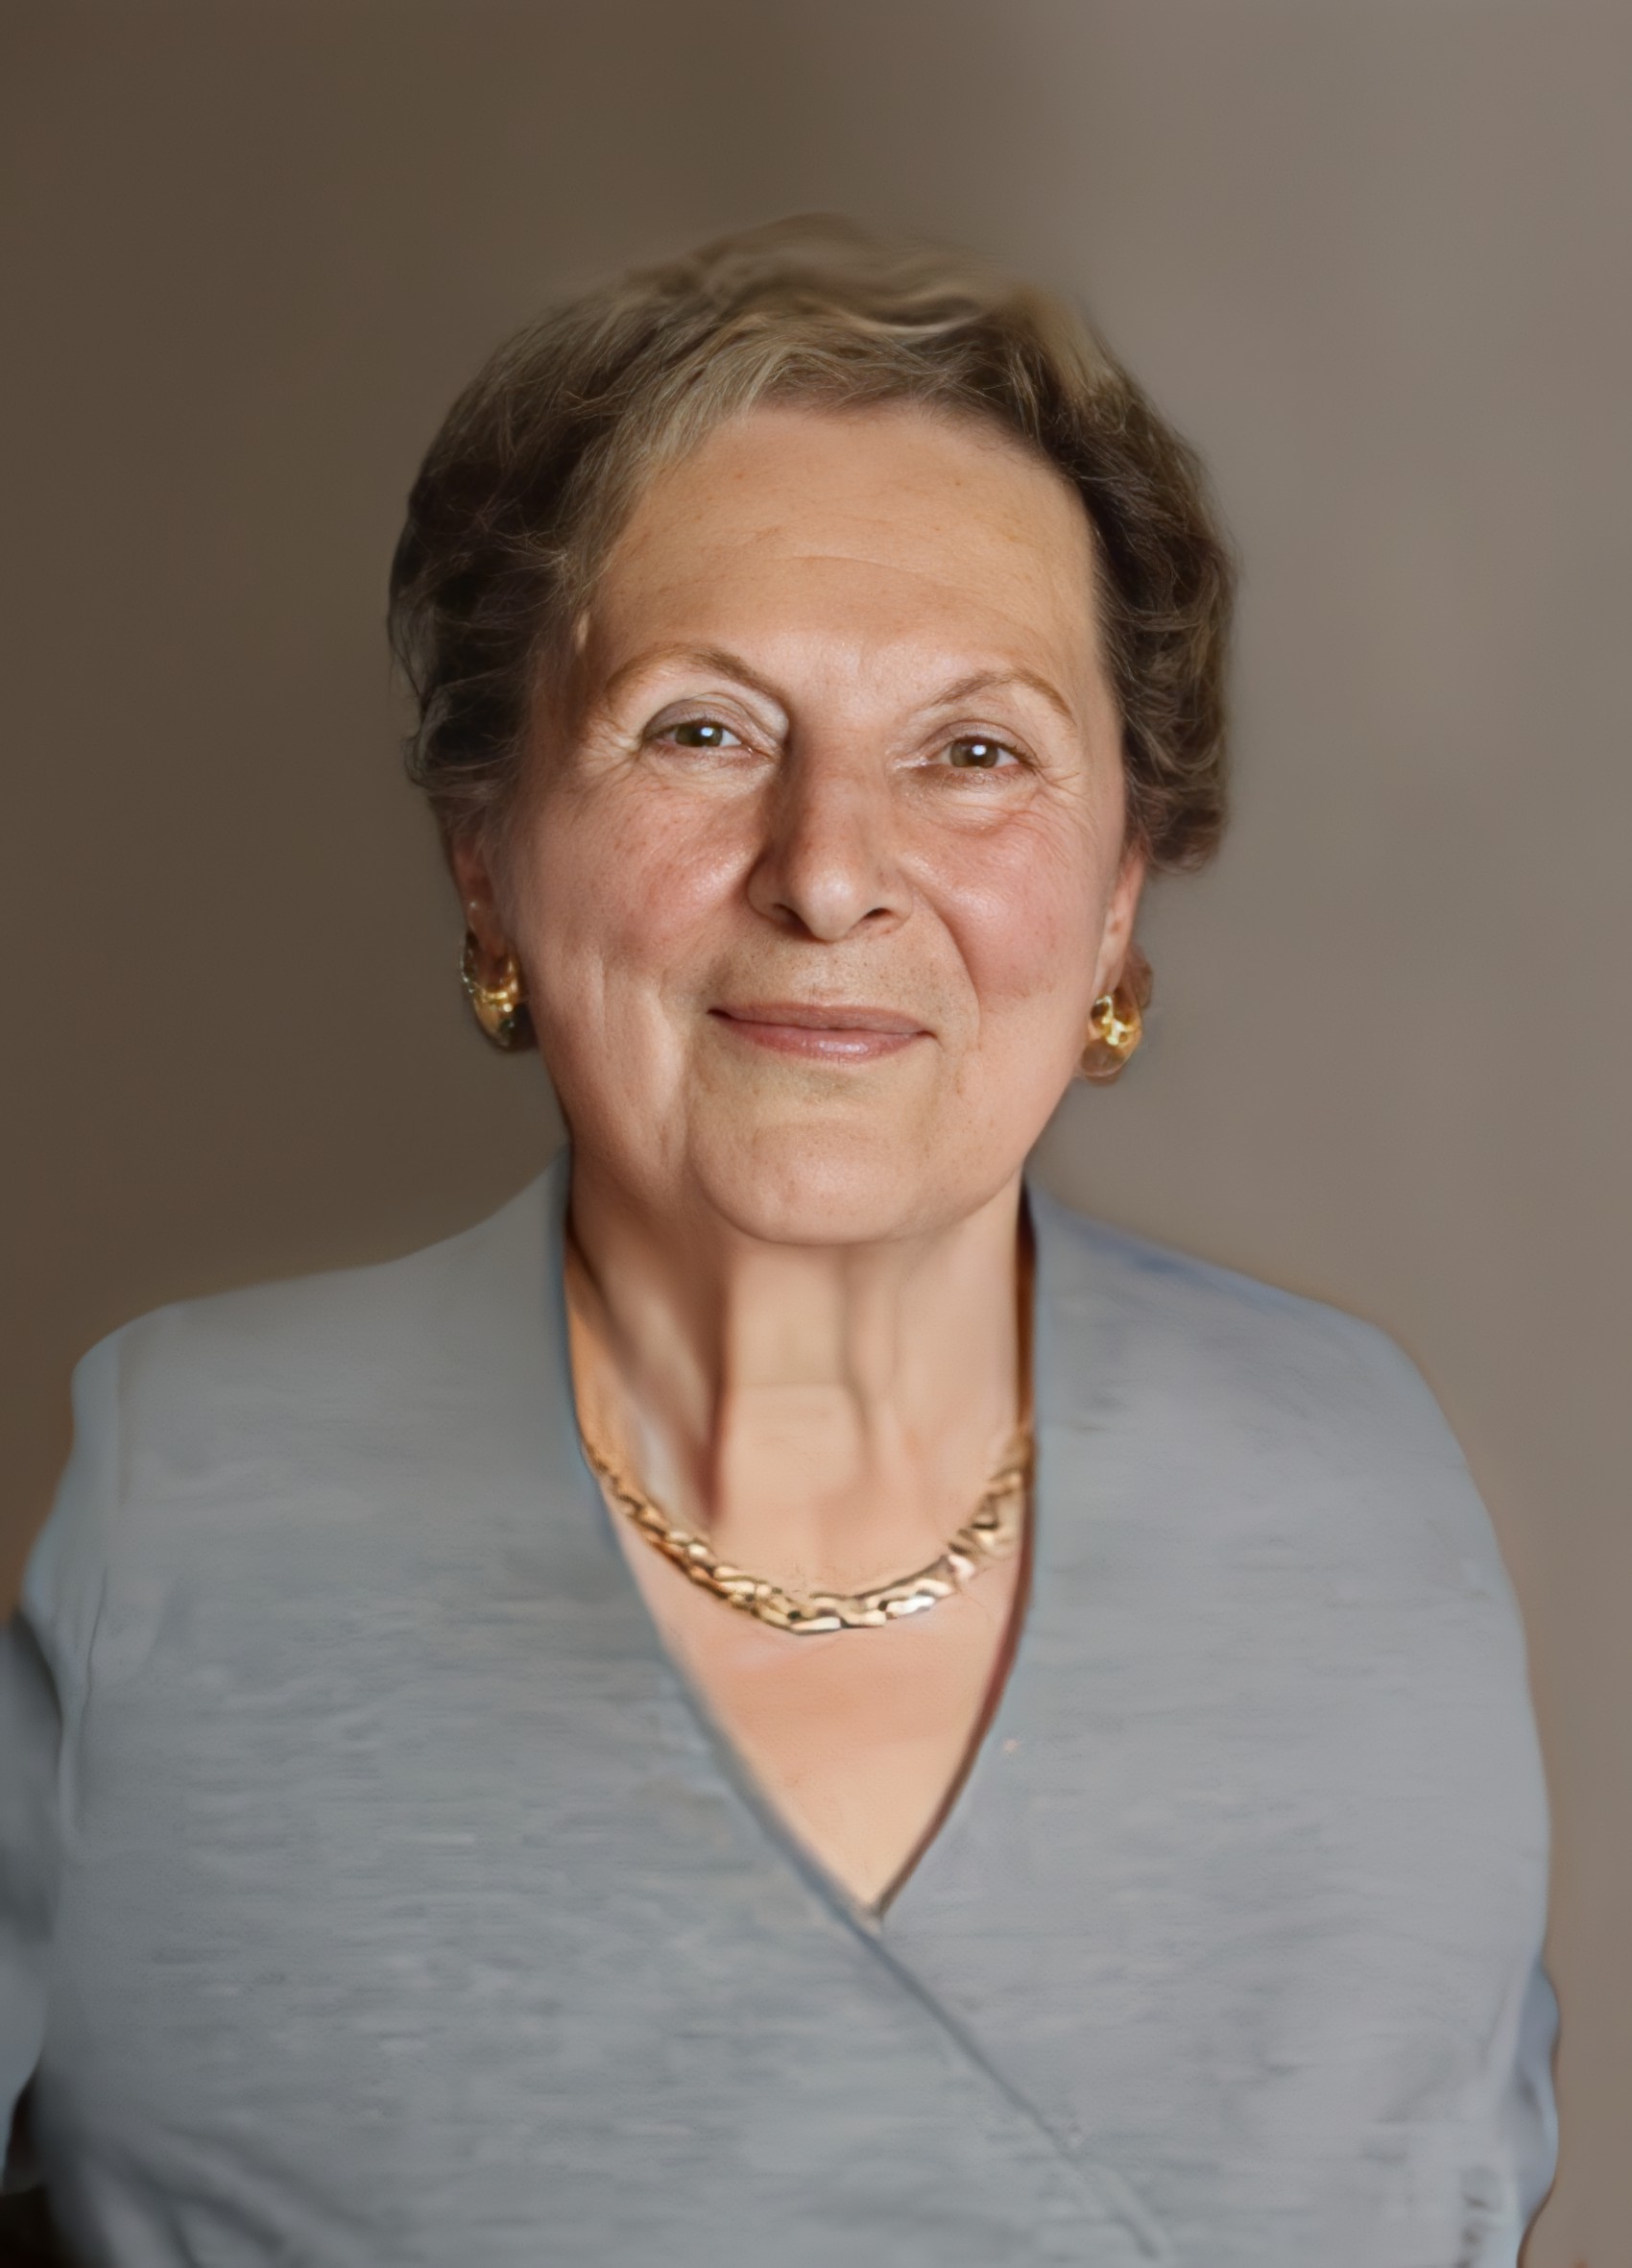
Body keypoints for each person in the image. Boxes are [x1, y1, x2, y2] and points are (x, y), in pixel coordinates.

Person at [0, 217, 1556, 2266]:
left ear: (1116, 899)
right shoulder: (176, 1502)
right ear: (488, 858)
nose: (828, 872)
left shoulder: (1358, 1495)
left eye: (975, 750)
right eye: (702, 729)